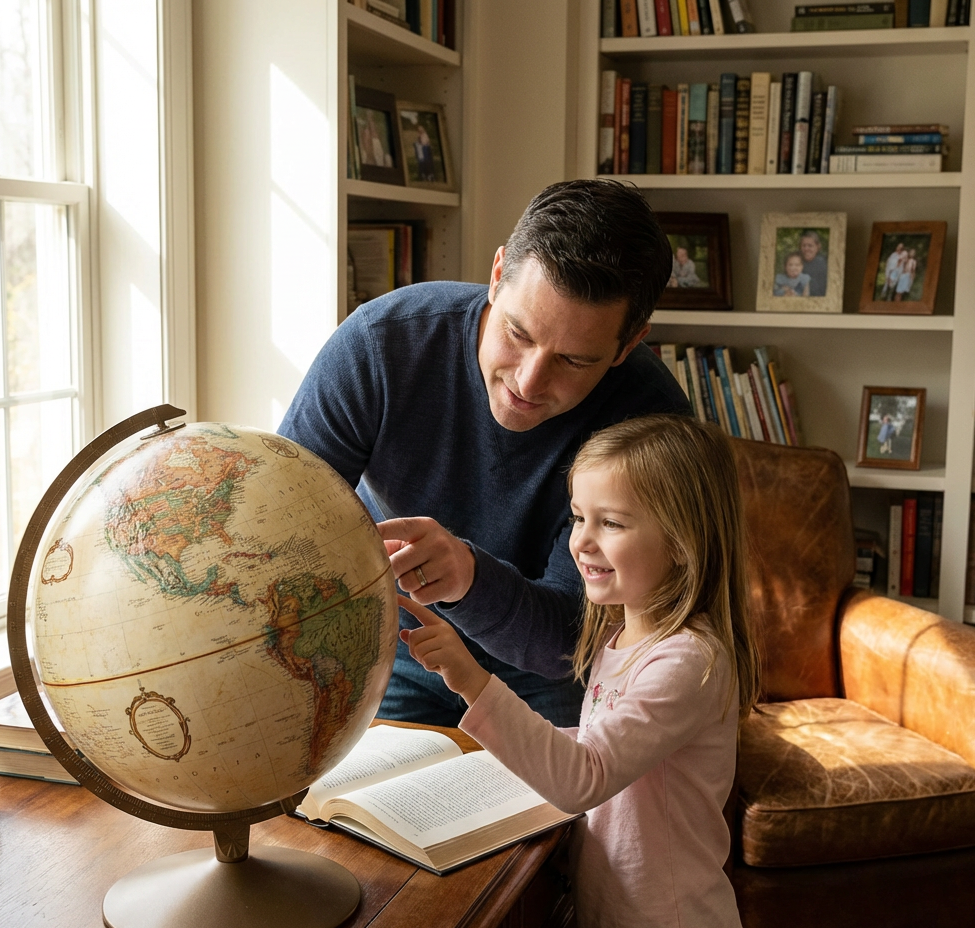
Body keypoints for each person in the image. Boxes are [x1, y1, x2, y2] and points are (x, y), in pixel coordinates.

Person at [278, 180, 691, 728]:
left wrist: (469, 578)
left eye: (572, 361)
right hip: (394, 634)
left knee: (558, 813)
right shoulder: (380, 346)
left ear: (627, 345)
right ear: (498, 275)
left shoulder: (651, 422)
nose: (528, 380)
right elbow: (281, 527)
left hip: (549, 667)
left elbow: (576, 637)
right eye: (517, 333)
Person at [397, 413, 761, 928]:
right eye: (578, 517)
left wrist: (472, 682)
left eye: (611, 523)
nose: (581, 542)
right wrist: (491, 757)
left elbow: (585, 776)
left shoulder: (688, 662)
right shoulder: (622, 636)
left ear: (682, 540)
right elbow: (599, 744)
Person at [799, 230, 828, 297]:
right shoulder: (795, 262)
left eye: (810, 246)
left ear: (817, 247)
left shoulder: (824, 264)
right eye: (804, 245)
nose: (806, 248)